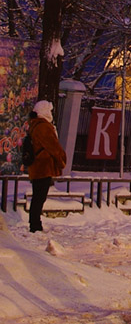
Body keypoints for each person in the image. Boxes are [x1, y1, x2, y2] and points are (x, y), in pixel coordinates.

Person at [24, 100, 67, 234]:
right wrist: (62, 160)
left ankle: (35, 223)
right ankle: (35, 225)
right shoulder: (43, 126)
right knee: (39, 197)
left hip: (37, 166)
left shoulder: (34, 125)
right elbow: (53, 146)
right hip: (43, 166)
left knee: (38, 196)